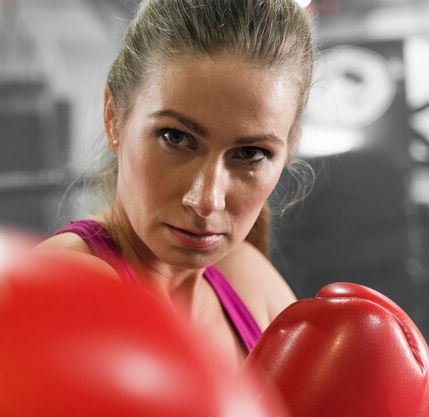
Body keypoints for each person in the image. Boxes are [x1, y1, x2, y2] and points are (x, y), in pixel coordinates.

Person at [36, 0, 315, 369]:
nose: (206, 201)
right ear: (113, 118)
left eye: (250, 153)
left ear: (287, 154)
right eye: (175, 137)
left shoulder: (249, 282)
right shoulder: (68, 288)